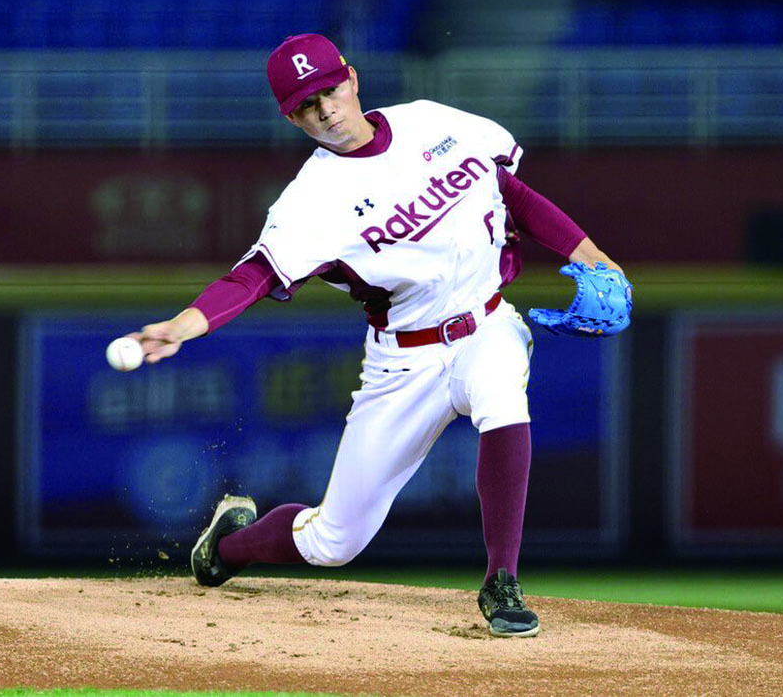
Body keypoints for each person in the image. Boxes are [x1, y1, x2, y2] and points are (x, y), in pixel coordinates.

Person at [122, 33, 624, 638]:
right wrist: (185, 324)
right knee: (334, 542)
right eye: (307, 106)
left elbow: (510, 191)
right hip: (403, 362)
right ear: (291, 118)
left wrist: (591, 255)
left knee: (502, 397)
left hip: (487, 322)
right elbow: (251, 277)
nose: (325, 110)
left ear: (353, 79)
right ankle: (228, 546)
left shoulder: (433, 123)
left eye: (330, 91)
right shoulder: (310, 202)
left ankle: (502, 581)